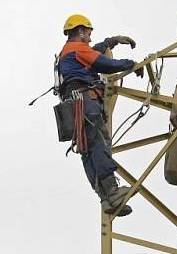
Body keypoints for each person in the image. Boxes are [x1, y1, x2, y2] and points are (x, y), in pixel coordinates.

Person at [57, 14, 141, 216]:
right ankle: (112, 189)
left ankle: (106, 198)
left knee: (87, 148)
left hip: (73, 104)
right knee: (98, 142)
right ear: (80, 31)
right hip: (84, 101)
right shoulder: (77, 49)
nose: (90, 37)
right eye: (88, 33)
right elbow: (105, 64)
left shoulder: (69, 52)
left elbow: (92, 53)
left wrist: (111, 42)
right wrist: (131, 64)